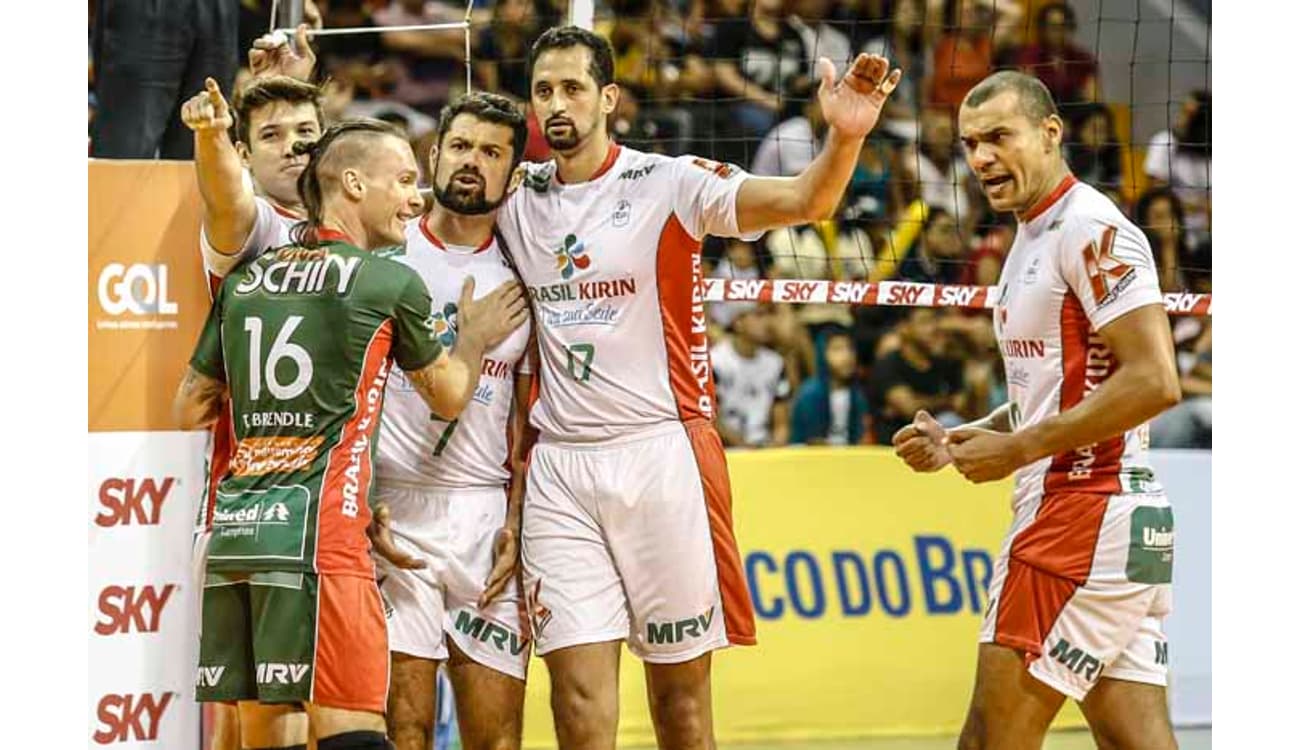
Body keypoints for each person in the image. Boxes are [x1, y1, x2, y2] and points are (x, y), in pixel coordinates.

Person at [496, 25, 899, 749]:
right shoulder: (516, 199)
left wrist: (844, 137)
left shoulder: (667, 183)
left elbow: (808, 202)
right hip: (560, 467)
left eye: (573, 88)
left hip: (662, 458)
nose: (556, 104)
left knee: (680, 709)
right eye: (543, 91)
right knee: (578, 708)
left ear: (608, 98)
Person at [175, 119, 526, 750]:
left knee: (267, 731)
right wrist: (470, 338)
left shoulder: (248, 281)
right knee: (356, 733)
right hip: (324, 540)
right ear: (355, 183)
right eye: (404, 180)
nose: (415, 198)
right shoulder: (386, 281)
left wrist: (273, 421)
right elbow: (447, 396)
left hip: (241, 536)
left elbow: (191, 406)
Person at [892, 71, 1181, 749]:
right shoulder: (1031, 232)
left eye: (998, 137)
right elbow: (1055, 389)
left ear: (1051, 133)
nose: (981, 158)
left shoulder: (1091, 229)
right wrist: (974, 434)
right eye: (969, 144)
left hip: (1081, 511)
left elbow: (1156, 380)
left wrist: (1021, 450)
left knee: (988, 741)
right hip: (1110, 518)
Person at [375, 92, 535, 750]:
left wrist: (519, 520)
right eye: (462, 146)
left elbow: (533, 421)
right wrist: (360, 502)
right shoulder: (385, 254)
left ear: (511, 173)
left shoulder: (526, 272)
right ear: (433, 155)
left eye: (493, 152)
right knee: (402, 730)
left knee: (495, 739)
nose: (474, 162)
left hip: (481, 518)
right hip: (392, 515)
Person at [712, 304, 791, 448]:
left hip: (765, 447)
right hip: (725, 449)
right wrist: (744, 446)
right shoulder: (715, 361)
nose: (767, 322)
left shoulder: (775, 363)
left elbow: (781, 422)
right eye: (759, 315)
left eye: (768, 314)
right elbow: (712, 419)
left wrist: (777, 446)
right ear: (738, 322)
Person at [789, 327, 870, 445]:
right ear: (822, 353)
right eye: (837, 349)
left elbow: (860, 436)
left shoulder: (857, 394)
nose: (846, 356)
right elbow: (811, 441)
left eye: (850, 349)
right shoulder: (809, 394)